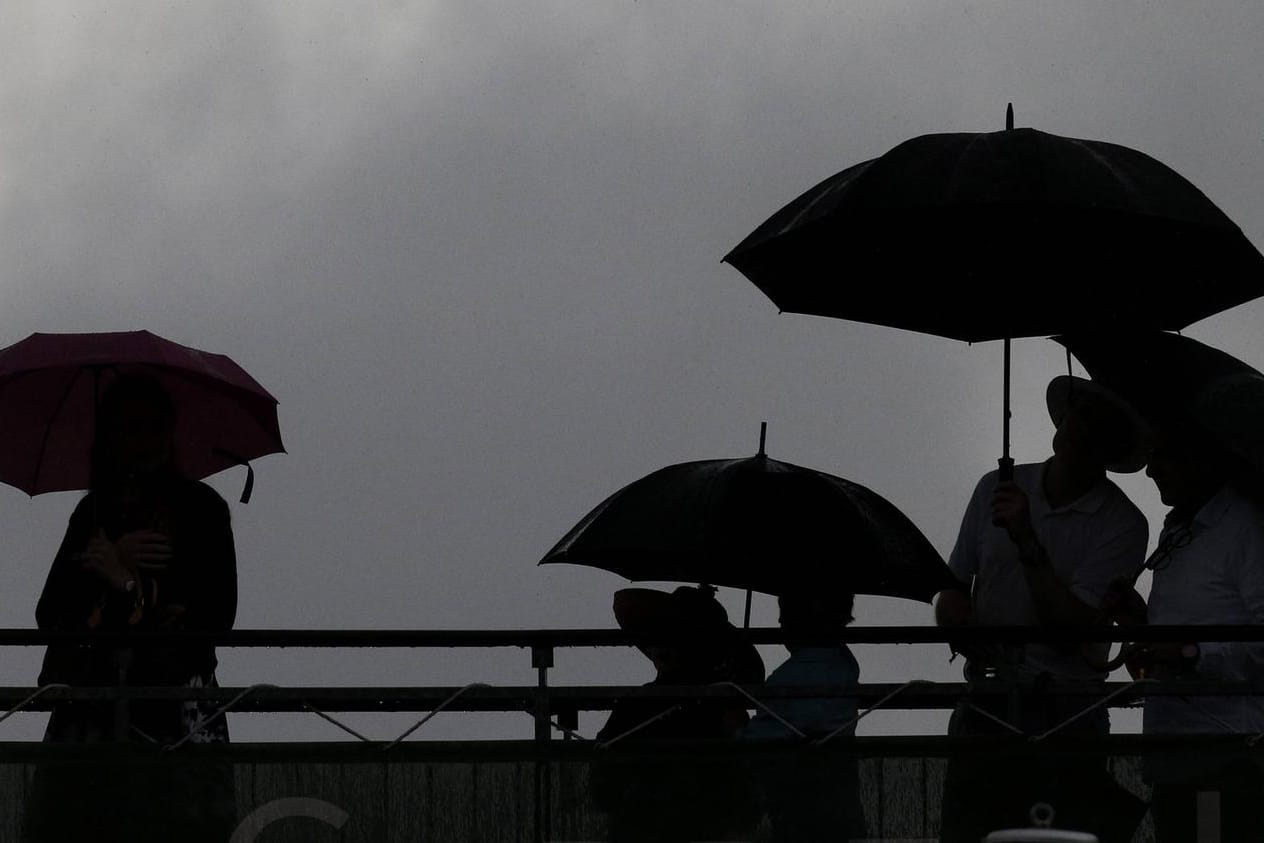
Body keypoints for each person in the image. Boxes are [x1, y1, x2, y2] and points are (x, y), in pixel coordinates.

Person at [934, 375, 1150, 843]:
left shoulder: (1125, 524)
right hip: (986, 702)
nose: (1079, 427)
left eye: (1095, 422)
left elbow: (1070, 630)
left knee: (1062, 834)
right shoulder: (996, 486)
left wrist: (1027, 539)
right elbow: (953, 585)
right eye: (1078, 413)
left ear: (1113, 447)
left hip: (1068, 711)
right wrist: (954, 617)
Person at [24, 373, 238, 842]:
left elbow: (216, 613)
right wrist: (108, 563)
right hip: (92, 707)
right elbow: (51, 612)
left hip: (173, 708)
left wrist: (125, 582)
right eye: (129, 428)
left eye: (153, 427)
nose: (142, 441)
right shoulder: (93, 513)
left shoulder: (201, 510)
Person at [1130, 416, 1264, 841]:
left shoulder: (1247, 529)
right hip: (1173, 752)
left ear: (1202, 458)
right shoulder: (1178, 529)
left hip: (1225, 756)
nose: (1150, 469)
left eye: (1162, 456)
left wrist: (1190, 654)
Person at [591, 585, 764, 842]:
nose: (660, 645)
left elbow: (603, 788)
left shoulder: (637, 705)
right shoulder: (725, 706)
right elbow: (748, 804)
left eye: (677, 637)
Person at [740, 589, 867, 841]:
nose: (779, 623)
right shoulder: (843, 663)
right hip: (838, 798)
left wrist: (734, 726)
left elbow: (761, 740)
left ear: (796, 622)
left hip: (800, 801)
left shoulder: (792, 678)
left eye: (783, 615)